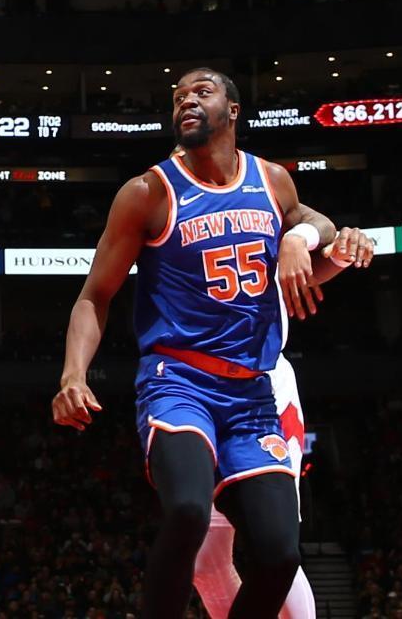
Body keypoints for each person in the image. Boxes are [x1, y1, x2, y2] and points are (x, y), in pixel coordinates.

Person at [53, 67, 374, 619]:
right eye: (178, 97)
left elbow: (311, 238)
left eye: (201, 92)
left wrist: (314, 243)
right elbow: (93, 296)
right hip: (178, 381)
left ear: (233, 109)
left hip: (252, 396)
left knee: (278, 554)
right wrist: (72, 375)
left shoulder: (272, 180)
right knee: (186, 511)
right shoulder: (147, 192)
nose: (186, 101)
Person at [192, 228, 375, 619]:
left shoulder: (258, 194)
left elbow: (316, 230)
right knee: (205, 563)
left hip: (263, 392)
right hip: (196, 394)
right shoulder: (169, 215)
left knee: (272, 548)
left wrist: (301, 239)